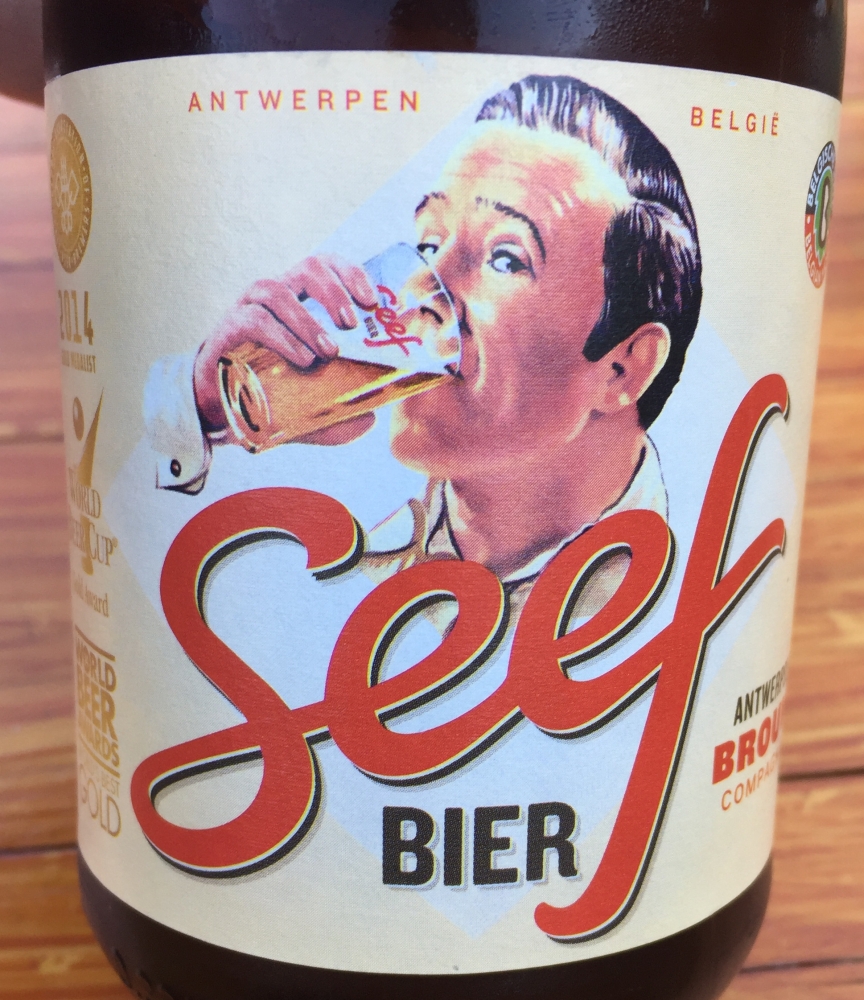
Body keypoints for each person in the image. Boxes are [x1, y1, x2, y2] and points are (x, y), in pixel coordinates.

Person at [151, 74, 702, 613]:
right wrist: (197, 410)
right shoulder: (361, 559)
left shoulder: (676, 594)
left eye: (504, 258)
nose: (422, 287)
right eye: (430, 242)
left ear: (624, 368)